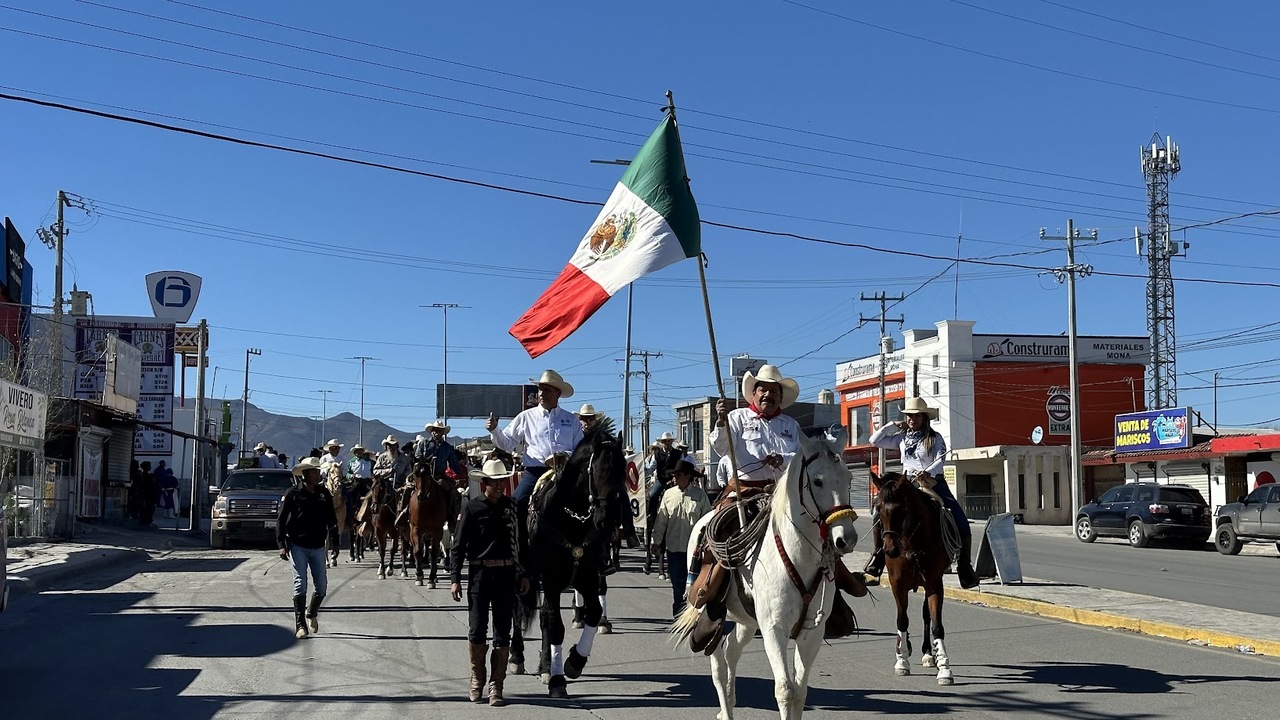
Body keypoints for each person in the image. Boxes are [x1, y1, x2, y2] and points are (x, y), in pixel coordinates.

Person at [697, 364, 863, 647]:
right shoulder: (737, 418)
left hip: (782, 493)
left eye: (774, 391)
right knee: (720, 530)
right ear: (753, 393)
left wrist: (783, 459)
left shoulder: (791, 425)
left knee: (820, 533)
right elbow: (722, 448)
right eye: (762, 389)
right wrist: (720, 422)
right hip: (744, 491)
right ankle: (711, 594)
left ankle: (833, 593)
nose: (768, 395)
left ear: (780, 397)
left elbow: (801, 458)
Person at [866, 397, 979, 589]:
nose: (912, 419)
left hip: (932, 482)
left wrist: (928, 472)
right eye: (909, 416)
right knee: (880, 513)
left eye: (917, 416)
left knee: (959, 518)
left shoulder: (935, 438)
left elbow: (940, 460)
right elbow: (874, 440)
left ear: (924, 418)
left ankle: (964, 567)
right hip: (907, 484)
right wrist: (892, 425)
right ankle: (877, 557)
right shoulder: (902, 438)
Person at [450, 464, 530, 706]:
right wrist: (455, 578)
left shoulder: (512, 508)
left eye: (501, 481)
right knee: (476, 629)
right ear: (484, 483)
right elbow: (458, 546)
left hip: (506, 574)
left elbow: (522, 543)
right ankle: (477, 678)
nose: (498, 485)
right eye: (494, 481)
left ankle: (497, 685)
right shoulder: (471, 508)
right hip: (480, 574)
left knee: (503, 632)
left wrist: (524, 574)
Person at [485, 369, 582, 512]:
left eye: (547, 390)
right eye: (540, 390)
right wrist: (494, 430)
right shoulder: (526, 417)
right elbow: (507, 443)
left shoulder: (571, 420)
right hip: (535, 473)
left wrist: (566, 456)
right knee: (516, 504)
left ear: (558, 394)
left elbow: (580, 449)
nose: (542, 394)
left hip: (565, 472)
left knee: (587, 503)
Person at [276, 456, 338, 639]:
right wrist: (281, 545)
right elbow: (281, 520)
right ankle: (300, 625)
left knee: (321, 587)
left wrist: (335, 542)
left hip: (318, 546)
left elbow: (332, 519)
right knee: (300, 583)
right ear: (305, 474)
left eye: (318, 471)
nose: (318, 475)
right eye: (314, 472)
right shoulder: (292, 494)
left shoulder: (324, 493)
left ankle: (311, 612)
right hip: (298, 545)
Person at [652, 459, 712, 617]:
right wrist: (656, 542)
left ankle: (694, 616)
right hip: (674, 549)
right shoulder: (668, 495)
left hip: (695, 551)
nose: (675, 478)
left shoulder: (700, 495)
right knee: (677, 586)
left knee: (695, 585)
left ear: (688, 476)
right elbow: (661, 521)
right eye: (674, 475)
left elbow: (707, 520)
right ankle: (678, 616)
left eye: (678, 475)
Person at [137, 461, 157, 527]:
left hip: (145, 494)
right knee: (149, 508)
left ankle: (145, 521)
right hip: (148, 494)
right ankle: (147, 521)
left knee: (146, 508)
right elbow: (151, 485)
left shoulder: (143, 475)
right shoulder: (147, 476)